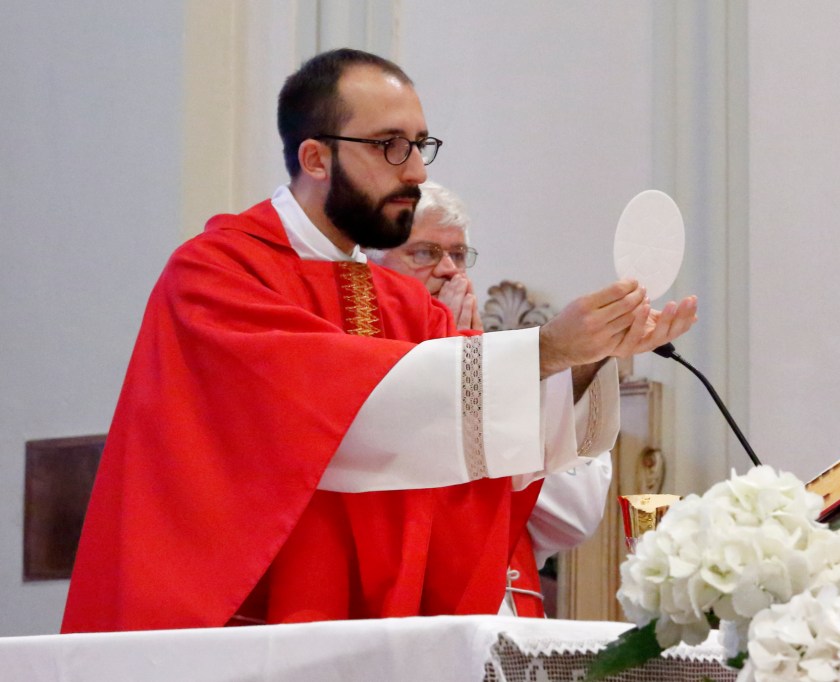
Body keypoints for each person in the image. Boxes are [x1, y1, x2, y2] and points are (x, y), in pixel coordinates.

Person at [61, 48, 698, 633]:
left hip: (378, 632)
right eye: (390, 145)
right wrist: (549, 349)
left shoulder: (404, 304)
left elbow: (484, 460)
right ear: (316, 158)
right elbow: (335, 414)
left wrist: (589, 357)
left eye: (421, 145)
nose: (416, 170)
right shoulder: (217, 275)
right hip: (246, 631)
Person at [370, 181, 613, 617]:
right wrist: (444, 367)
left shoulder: (507, 368)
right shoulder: (360, 374)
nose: (449, 270)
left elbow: (576, 517)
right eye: (424, 253)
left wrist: (481, 374)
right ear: (370, 267)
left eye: (458, 255)